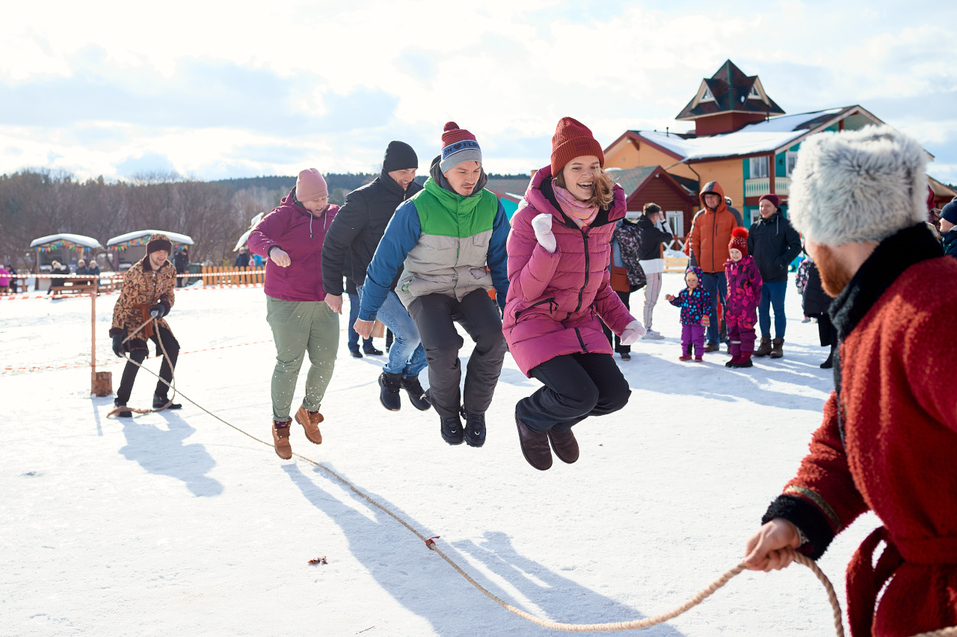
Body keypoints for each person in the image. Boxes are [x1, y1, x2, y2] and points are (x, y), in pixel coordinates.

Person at [742, 126, 957, 637]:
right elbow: (847, 442)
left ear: (830, 230)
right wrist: (795, 518)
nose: (812, 256)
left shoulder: (935, 313)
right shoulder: (880, 312)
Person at [354, 123, 509, 447]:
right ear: (444, 169)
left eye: (476, 168)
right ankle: (449, 413)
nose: (470, 177)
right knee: (442, 346)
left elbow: (501, 260)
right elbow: (383, 264)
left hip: (470, 285)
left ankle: (476, 412)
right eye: (462, 170)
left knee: (496, 339)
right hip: (424, 288)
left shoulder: (490, 205)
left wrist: (510, 307)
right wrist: (367, 314)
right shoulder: (415, 208)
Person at [504, 117, 642, 471]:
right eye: (576, 166)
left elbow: (596, 284)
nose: (587, 174)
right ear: (559, 173)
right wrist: (546, 249)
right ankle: (531, 416)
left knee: (614, 396)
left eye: (594, 166)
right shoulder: (531, 219)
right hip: (532, 320)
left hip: (579, 322)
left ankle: (560, 420)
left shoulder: (602, 218)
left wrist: (622, 321)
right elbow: (522, 291)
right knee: (578, 395)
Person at [322, 141, 430, 412]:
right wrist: (333, 289)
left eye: (414, 171)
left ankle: (411, 375)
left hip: (414, 282)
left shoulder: (420, 195)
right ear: (388, 169)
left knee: (437, 337)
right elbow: (334, 244)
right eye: (403, 171)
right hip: (375, 285)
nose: (409, 177)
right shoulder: (363, 200)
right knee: (410, 335)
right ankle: (391, 378)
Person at [248, 168, 339, 459]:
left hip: (325, 299)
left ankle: (309, 411)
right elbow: (255, 236)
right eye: (315, 200)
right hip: (286, 300)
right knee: (290, 363)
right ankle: (281, 424)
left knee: (325, 361)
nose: (321, 203)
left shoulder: (334, 215)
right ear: (302, 199)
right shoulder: (284, 215)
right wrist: (271, 249)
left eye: (324, 197)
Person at [109, 234, 182, 417]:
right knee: (138, 353)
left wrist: (163, 306)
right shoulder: (135, 272)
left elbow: (169, 295)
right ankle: (121, 402)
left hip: (153, 314)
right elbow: (122, 303)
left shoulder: (169, 270)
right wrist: (117, 334)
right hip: (132, 315)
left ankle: (160, 395)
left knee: (172, 348)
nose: (162, 255)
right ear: (150, 252)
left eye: (165, 251)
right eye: (158, 250)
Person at [749, 193, 802, 359]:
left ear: (775, 207)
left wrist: (782, 262)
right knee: (762, 311)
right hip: (759, 278)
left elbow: (796, 246)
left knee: (778, 311)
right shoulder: (755, 227)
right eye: (761, 206)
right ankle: (765, 342)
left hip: (777, 277)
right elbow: (749, 252)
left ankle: (778, 344)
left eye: (767, 206)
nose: (764, 209)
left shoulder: (785, 225)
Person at [689, 181, 738, 352]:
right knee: (708, 305)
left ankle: (733, 340)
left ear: (720, 198)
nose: (709, 200)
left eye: (712, 197)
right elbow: (693, 241)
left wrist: (737, 264)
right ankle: (713, 340)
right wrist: (693, 265)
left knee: (730, 304)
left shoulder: (732, 214)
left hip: (727, 269)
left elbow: (739, 239)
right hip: (706, 270)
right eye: (707, 197)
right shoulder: (700, 217)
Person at [602, 216, 644, 360]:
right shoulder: (599, 226)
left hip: (621, 275)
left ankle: (624, 348)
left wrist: (615, 229)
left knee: (623, 312)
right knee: (601, 313)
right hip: (601, 276)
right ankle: (606, 348)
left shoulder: (628, 228)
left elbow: (636, 244)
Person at [723, 228, 762, 368]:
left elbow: (757, 284)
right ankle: (736, 355)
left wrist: (754, 302)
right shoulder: (729, 266)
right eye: (732, 252)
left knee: (745, 331)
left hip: (746, 305)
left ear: (743, 252)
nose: (734, 255)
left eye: (737, 252)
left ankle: (746, 356)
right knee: (733, 331)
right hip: (732, 306)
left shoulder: (749, 265)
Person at [636, 202, 673, 340]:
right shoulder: (652, 231)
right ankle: (647, 328)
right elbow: (669, 236)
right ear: (655, 216)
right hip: (653, 268)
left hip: (643, 266)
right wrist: (664, 221)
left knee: (648, 299)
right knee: (651, 300)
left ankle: (647, 326)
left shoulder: (639, 228)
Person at [665, 266, 711, 362]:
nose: (691, 282)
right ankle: (686, 354)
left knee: (697, 338)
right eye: (688, 280)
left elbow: (707, 305)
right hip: (685, 320)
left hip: (698, 321)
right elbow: (679, 303)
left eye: (694, 280)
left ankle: (698, 354)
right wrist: (672, 299)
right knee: (685, 338)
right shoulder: (683, 292)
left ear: (699, 280)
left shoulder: (703, 293)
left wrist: (706, 315)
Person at [800, 255, 836, 368]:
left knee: (837, 313)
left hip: (839, 267)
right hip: (821, 267)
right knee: (825, 313)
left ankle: (837, 352)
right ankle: (834, 352)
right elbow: (808, 247)